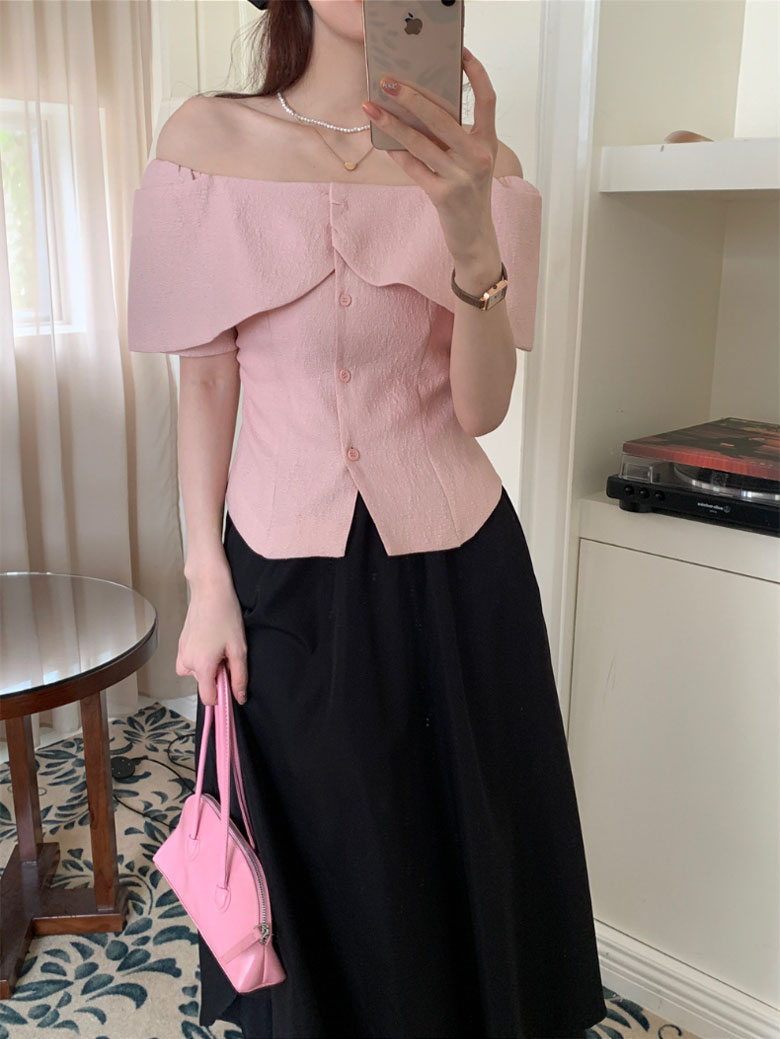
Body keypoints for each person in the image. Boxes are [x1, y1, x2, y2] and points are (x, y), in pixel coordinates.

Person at [127, 2, 607, 1036]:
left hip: (460, 578)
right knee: (328, 876)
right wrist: (205, 579)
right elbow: (205, 381)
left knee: (460, 869)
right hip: (282, 574)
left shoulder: (480, 163)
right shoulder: (204, 142)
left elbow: (481, 410)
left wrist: (470, 227)